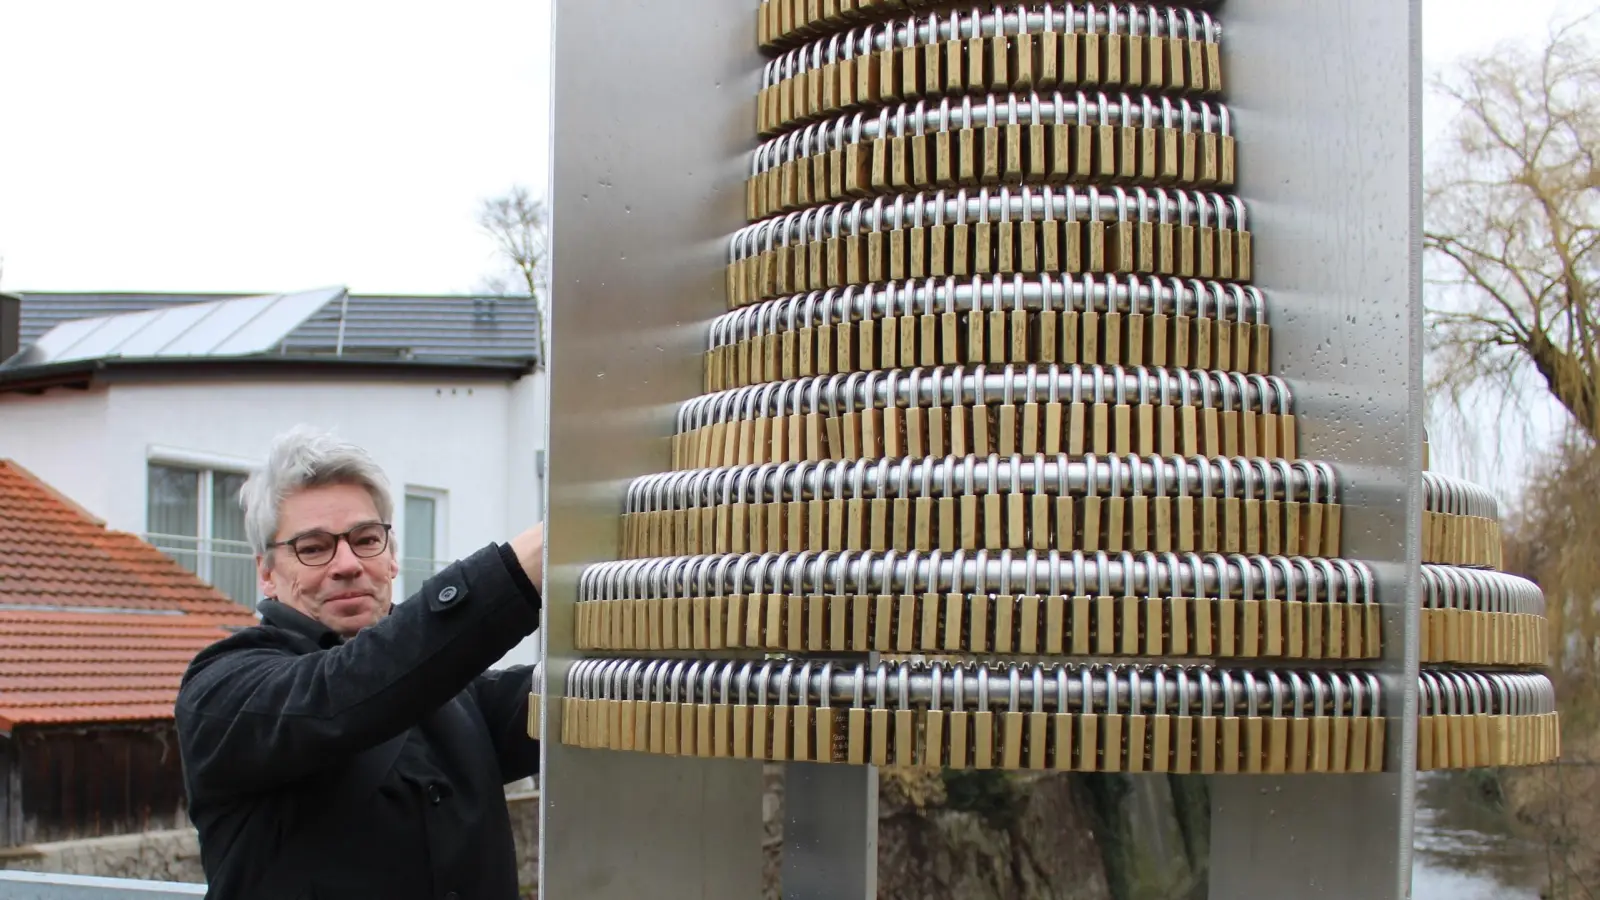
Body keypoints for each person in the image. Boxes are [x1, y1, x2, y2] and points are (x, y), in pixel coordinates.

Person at [174, 426, 545, 900]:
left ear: (391, 557)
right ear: (266, 574)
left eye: (366, 539)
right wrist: (521, 567)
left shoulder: (461, 699)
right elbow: (345, 690)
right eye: (312, 548)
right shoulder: (223, 691)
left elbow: (591, 692)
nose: (347, 563)